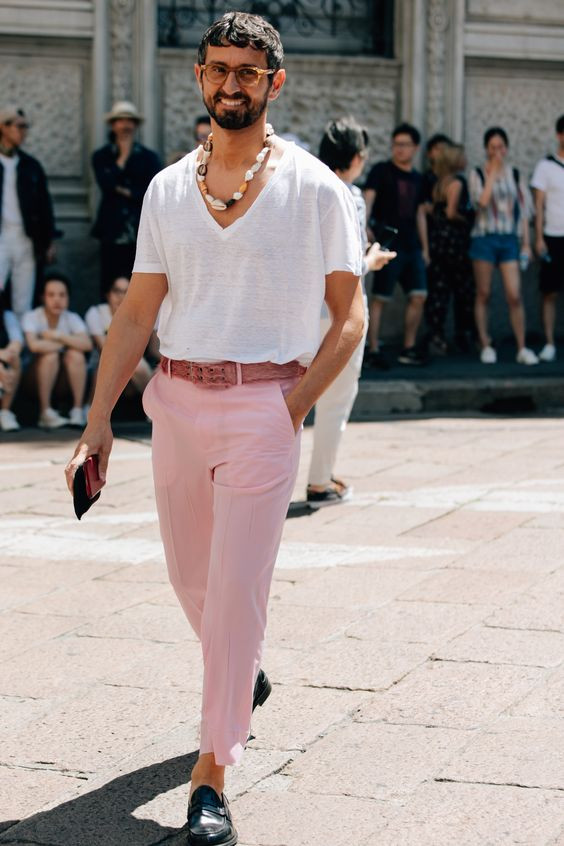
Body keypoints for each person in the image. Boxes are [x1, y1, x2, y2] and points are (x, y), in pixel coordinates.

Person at [65, 12, 364, 846]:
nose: (232, 83)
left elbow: (350, 317)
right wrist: (97, 420)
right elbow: (135, 314)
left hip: (264, 409)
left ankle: (213, 775)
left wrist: (291, 408)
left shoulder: (315, 188)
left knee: (234, 594)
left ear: (276, 82)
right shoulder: (167, 189)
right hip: (177, 404)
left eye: (248, 71)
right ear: (199, 78)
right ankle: (244, 673)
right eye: (218, 69)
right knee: (191, 580)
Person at [306, 117, 395, 507]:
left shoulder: (303, 189)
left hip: (298, 310)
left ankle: (269, 479)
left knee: (286, 394)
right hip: (340, 311)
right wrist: (372, 259)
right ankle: (320, 481)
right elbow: (349, 262)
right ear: (357, 158)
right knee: (335, 399)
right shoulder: (351, 196)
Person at [468, 126, 538, 365]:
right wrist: (492, 174)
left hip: (509, 239)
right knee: (484, 293)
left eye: (501, 146)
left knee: (514, 295)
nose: (497, 151)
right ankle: (485, 343)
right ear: (486, 150)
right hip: (484, 237)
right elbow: (481, 204)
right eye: (492, 147)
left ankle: (522, 347)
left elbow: (525, 213)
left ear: (506, 148)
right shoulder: (477, 174)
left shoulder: (516, 174)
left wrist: (526, 244)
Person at [363, 122, 429, 367]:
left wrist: (426, 248)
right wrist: (365, 227)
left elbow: (421, 213)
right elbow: (368, 199)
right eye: (396, 144)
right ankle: (373, 349)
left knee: (419, 296)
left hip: (412, 245)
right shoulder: (381, 170)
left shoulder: (418, 178)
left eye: (404, 145)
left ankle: (409, 347)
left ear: (415, 148)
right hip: (387, 244)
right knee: (380, 298)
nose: (399, 149)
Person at [91, 101, 161, 297]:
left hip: (139, 231)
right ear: (113, 125)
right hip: (111, 231)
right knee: (109, 283)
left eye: (129, 121)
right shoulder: (101, 156)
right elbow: (106, 184)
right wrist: (122, 155)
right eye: (120, 121)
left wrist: (123, 190)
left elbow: (149, 191)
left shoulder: (149, 158)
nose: (125, 125)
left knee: (138, 285)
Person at [0, 105, 58, 319]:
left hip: (26, 240)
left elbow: (45, 205)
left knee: (23, 300)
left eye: (26, 127)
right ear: (3, 128)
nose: (23, 132)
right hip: (2, 239)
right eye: (19, 126)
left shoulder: (30, 166)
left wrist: (49, 239)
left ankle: (22, 349)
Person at [22, 273, 92, 429]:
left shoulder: (71, 318)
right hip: (31, 382)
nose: (57, 300)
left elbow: (87, 344)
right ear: (43, 297)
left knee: (76, 355)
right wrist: (66, 344)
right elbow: (34, 346)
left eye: (62, 295)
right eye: (51, 295)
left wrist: (57, 336)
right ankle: (45, 412)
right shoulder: (32, 316)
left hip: (63, 382)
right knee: (50, 357)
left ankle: (77, 410)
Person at [425, 143, 475, 354]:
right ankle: (463, 336)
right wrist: (469, 218)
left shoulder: (439, 183)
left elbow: (433, 210)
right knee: (462, 290)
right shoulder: (457, 182)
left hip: (437, 241)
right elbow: (451, 212)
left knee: (439, 291)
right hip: (454, 243)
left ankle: (436, 336)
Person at [85, 275, 159, 404]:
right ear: (108, 294)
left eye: (126, 292)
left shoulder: (143, 314)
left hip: (135, 376)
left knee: (152, 369)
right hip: (100, 371)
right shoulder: (96, 313)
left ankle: (155, 408)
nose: (121, 296)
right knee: (132, 364)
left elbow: (154, 350)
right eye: (117, 291)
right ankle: (90, 410)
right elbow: (105, 348)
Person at [531, 114, 564, 362]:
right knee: (549, 292)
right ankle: (550, 342)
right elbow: (538, 205)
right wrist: (539, 237)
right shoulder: (546, 167)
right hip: (553, 236)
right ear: (559, 135)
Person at [0, 301, 24, 431]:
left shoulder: (7, 316)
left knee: (15, 359)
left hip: (3, 364)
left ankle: (5, 412)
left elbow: (17, 342)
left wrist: (6, 357)